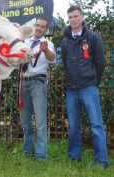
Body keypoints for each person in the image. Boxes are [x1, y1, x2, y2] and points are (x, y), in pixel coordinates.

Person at [60, 5, 110, 168]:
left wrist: (94, 82)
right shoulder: (65, 41)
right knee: (74, 126)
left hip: (89, 88)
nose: (73, 20)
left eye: (75, 16)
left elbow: (100, 63)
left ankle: (101, 161)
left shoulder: (93, 38)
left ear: (82, 17)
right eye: (70, 17)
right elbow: (65, 64)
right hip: (71, 90)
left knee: (96, 124)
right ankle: (74, 157)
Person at [20, 17, 56, 160]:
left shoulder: (48, 44)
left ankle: (41, 156)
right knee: (26, 121)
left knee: (40, 122)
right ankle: (28, 152)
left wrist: (46, 50)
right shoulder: (24, 43)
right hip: (24, 83)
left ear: (46, 30)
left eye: (42, 26)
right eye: (37, 25)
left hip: (38, 83)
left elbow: (53, 58)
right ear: (33, 26)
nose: (39, 28)